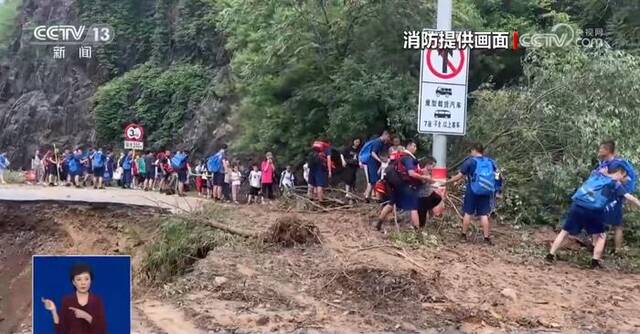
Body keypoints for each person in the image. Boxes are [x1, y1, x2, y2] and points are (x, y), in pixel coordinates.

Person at [546, 165, 640, 268]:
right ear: (620, 172)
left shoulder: (597, 176)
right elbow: (629, 197)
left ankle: (550, 255)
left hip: (577, 205)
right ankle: (595, 262)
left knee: (564, 232)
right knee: (601, 236)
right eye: (624, 176)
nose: (623, 179)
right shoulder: (614, 184)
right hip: (592, 210)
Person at [374, 141, 434, 233]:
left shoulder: (399, 156)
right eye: (414, 146)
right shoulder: (408, 158)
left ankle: (379, 223)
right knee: (414, 206)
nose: (415, 148)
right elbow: (411, 173)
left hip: (394, 184)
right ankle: (418, 231)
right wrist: (425, 177)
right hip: (403, 185)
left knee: (391, 203)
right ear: (409, 146)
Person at [446, 143, 498, 245]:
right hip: (486, 190)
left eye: (471, 151)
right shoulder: (491, 162)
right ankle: (486, 238)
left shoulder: (470, 162)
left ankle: (463, 235)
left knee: (468, 212)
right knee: (483, 214)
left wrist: (448, 182)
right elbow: (497, 176)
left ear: (474, 150)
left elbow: (460, 176)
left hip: (472, 190)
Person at [594, 140, 637, 255]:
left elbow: (625, 178)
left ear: (607, 150)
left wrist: (624, 192)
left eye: (601, 149)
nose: (599, 151)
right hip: (605, 196)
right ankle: (600, 249)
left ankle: (611, 251)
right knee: (611, 224)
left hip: (613, 197)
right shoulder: (604, 163)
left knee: (615, 225)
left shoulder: (618, 163)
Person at [41, 263, 107, 334]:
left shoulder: (97, 300)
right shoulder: (67, 301)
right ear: (73, 282)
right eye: (79, 279)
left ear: (91, 281)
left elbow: (102, 330)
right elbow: (60, 330)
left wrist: (86, 316)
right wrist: (53, 311)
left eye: (86, 279)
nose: (83, 283)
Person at [359, 131, 391, 201]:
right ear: (385, 135)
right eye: (388, 137)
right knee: (375, 179)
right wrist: (380, 161)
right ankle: (377, 197)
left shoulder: (381, 143)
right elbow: (373, 153)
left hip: (373, 162)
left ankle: (367, 196)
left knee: (372, 180)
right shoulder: (378, 142)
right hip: (371, 162)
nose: (388, 139)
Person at [417, 157, 443, 228]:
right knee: (422, 214)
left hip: (428, 193)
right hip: (422, 195)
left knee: (438, 198)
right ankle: (420, 229)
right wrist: (430, 180)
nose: (433, 168)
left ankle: (428, 208)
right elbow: (423, 181)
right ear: (428, 164)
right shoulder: (422, 171)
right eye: (432, 166)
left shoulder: (429, 172)